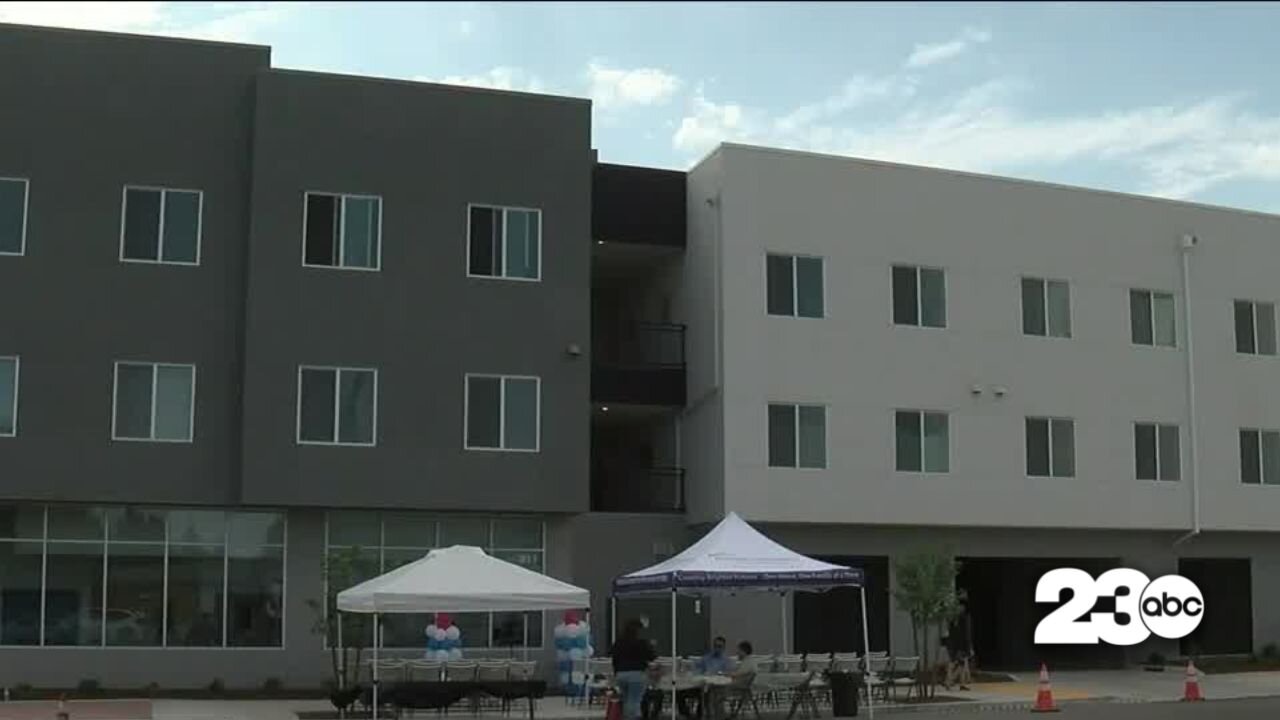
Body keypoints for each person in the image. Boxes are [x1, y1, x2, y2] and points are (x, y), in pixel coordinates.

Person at [612, 619, 657, 720]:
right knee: (635, 701)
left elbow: (614, 659)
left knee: (626, 700)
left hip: (621, 674)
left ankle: (626, 717)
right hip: (637, 674)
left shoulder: (618, 642)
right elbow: (652, 657)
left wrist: (616, 673)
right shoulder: (641, 643)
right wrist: (651, 646)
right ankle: (633, 717)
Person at [676, 636, 731, 718]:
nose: (717, 648)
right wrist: (691, 669)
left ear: (723, 648)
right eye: (715, 646)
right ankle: (687, 714)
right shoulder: (706, 658)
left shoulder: (726, 661)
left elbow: (727, 674)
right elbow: (697, 668)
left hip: (715, 688)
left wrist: (716, 674)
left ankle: (699, 716)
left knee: (705, 694)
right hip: (700, 685)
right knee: (678, 692)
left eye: (719, 646)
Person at [942, 614, 973, 691]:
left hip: (956, 646)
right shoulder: (960, 624)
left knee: (959, 664)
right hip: (958, 647)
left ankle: (956, 682)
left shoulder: (953, 624)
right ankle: (950, 681)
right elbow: (964, 636)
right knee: (955, 664)